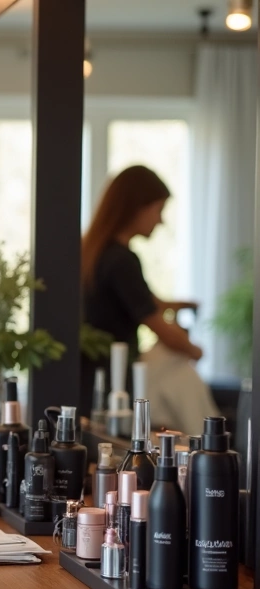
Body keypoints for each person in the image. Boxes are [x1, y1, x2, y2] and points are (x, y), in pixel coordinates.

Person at [79, 165, 202, 416]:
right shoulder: (122, 260)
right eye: (158, 210)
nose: (160, 220)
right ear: (137, 208)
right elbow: (157, 324)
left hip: (92, 375)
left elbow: (146, 300)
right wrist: (195, 351)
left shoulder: (96, 253)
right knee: (180, 370)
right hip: (116, 377)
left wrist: (179, 306)